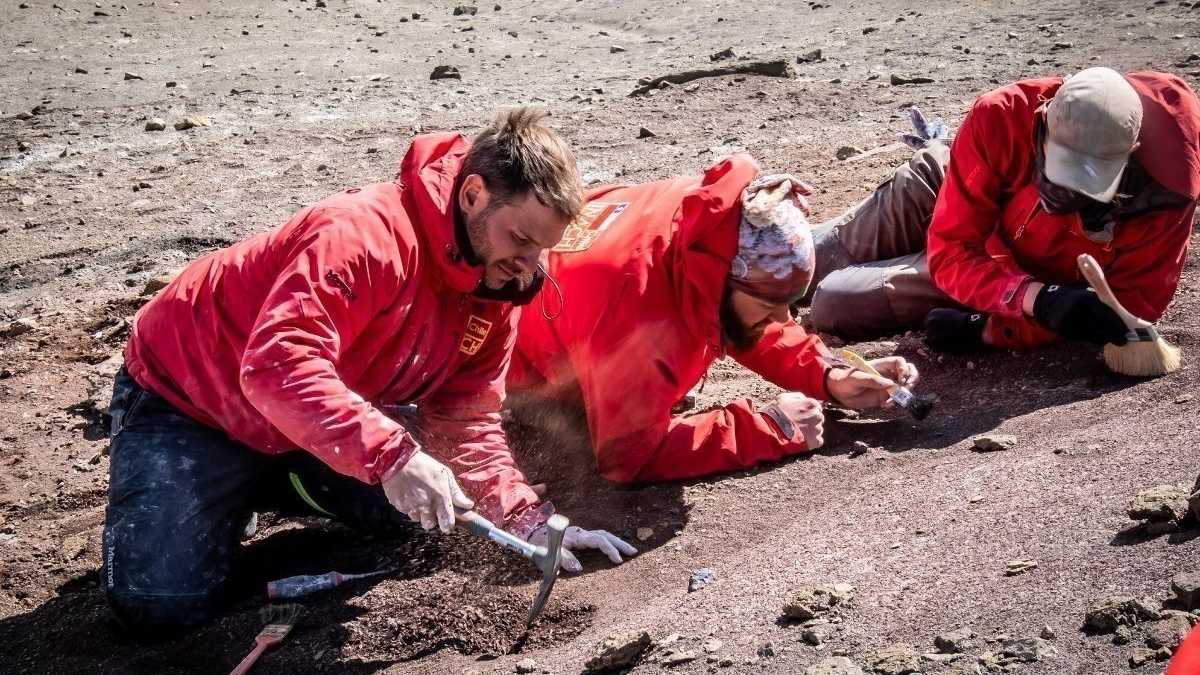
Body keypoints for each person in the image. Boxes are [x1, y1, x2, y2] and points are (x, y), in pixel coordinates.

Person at [102, 108, 634, 639]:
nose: (529, 262)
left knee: (436, 515)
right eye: (520, 238)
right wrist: (390, 455)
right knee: (159, 606)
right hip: (193, 406)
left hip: (317, 414)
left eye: (542, 247)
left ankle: (283, 480)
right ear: (473, 194)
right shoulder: (365, 234)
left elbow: (466, 416)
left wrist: (526, 522)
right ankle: (237, 487)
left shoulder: (497, 284)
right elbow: (276, 363)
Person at [506, 157, 919, 484]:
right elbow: (627, 455)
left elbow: (740, 318)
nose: (784, 318)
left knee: (736, 318)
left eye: (789, 302)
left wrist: (829, 375)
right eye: (770, 304)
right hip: (521, 369)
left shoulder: (709, 219)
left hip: (574, 303)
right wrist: (771, 426)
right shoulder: (640, 320)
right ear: (723, 280)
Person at [803, 67, 1200, 351]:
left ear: (1130, 155)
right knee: (799, 262)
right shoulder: (1004, 114)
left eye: (1087, 181)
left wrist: (991, 328)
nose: (1063, 191)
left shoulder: (1165, 191)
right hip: (954, 202)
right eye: (1059, 168)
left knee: (833, 302)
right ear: (1043, 118)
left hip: (1003, 273)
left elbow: (1132, 304)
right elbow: (952, 248)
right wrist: (1039, 300)